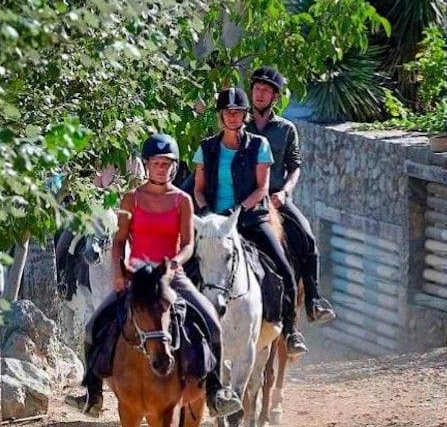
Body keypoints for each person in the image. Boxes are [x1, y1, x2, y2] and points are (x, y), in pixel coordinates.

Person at [67, 133, 241, 418]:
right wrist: (119, 273)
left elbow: (187, 244)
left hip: (172, 277)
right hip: (137, 276)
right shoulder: (131, 199)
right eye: (157, 163)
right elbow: (120, 241)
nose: (162, 168)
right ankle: (92, 392)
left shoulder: (182, 200)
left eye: (167, 163)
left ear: (173, 166)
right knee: (93, 326)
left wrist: (175, 263)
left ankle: (215, 392)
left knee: (212, 323)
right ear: (147, 164)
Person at [192, 87, 309, 357]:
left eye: (237, 112)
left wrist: (237, 209)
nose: (232, 117)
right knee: (183, 267)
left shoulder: (260, 145)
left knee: (284, 269)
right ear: (221, 116)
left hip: (250, 220)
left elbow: (261, 188)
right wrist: (207, 212)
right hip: (213, 224)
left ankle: (290, 330)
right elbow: (199, 188)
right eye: (227, 113)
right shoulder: (207, 148)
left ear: (245, 115)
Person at [246, 66, 336, 324]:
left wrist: (285, 192)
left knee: (307, 238)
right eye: (257, 88)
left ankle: (313, 301)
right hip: (244, 199)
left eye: (266, 90)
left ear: (275, 97)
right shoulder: (240, 126)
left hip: (276, 199)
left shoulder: (286, 129)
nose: (260, 94)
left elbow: (294, 166)